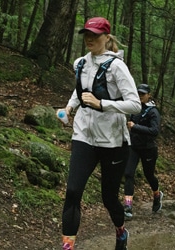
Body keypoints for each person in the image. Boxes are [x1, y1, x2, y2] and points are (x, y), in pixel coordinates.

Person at [59, 17, 141, 250]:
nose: (90, 38)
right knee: (73, 191)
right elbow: (80, 91)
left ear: (107, 37)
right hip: (84, 135)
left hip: (113, 141)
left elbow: (135, 105)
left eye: (95, 34)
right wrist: (69, 107)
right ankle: (68, 246)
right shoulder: (80, 63)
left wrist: (102, 104)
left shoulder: (117, 66)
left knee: (108, 197)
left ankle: (121, 230)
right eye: (87, 34)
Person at [123, 84, 162, 220]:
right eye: (138, 93)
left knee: (149, 175)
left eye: (143, 94)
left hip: (148, 148)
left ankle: (157, 195)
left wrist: (136, 127)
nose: (140, 96)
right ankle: (128, 206)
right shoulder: (134, 109)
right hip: (133, 147)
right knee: (128, 174)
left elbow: (154, 131)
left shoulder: (153, 112)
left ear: (148, 95)